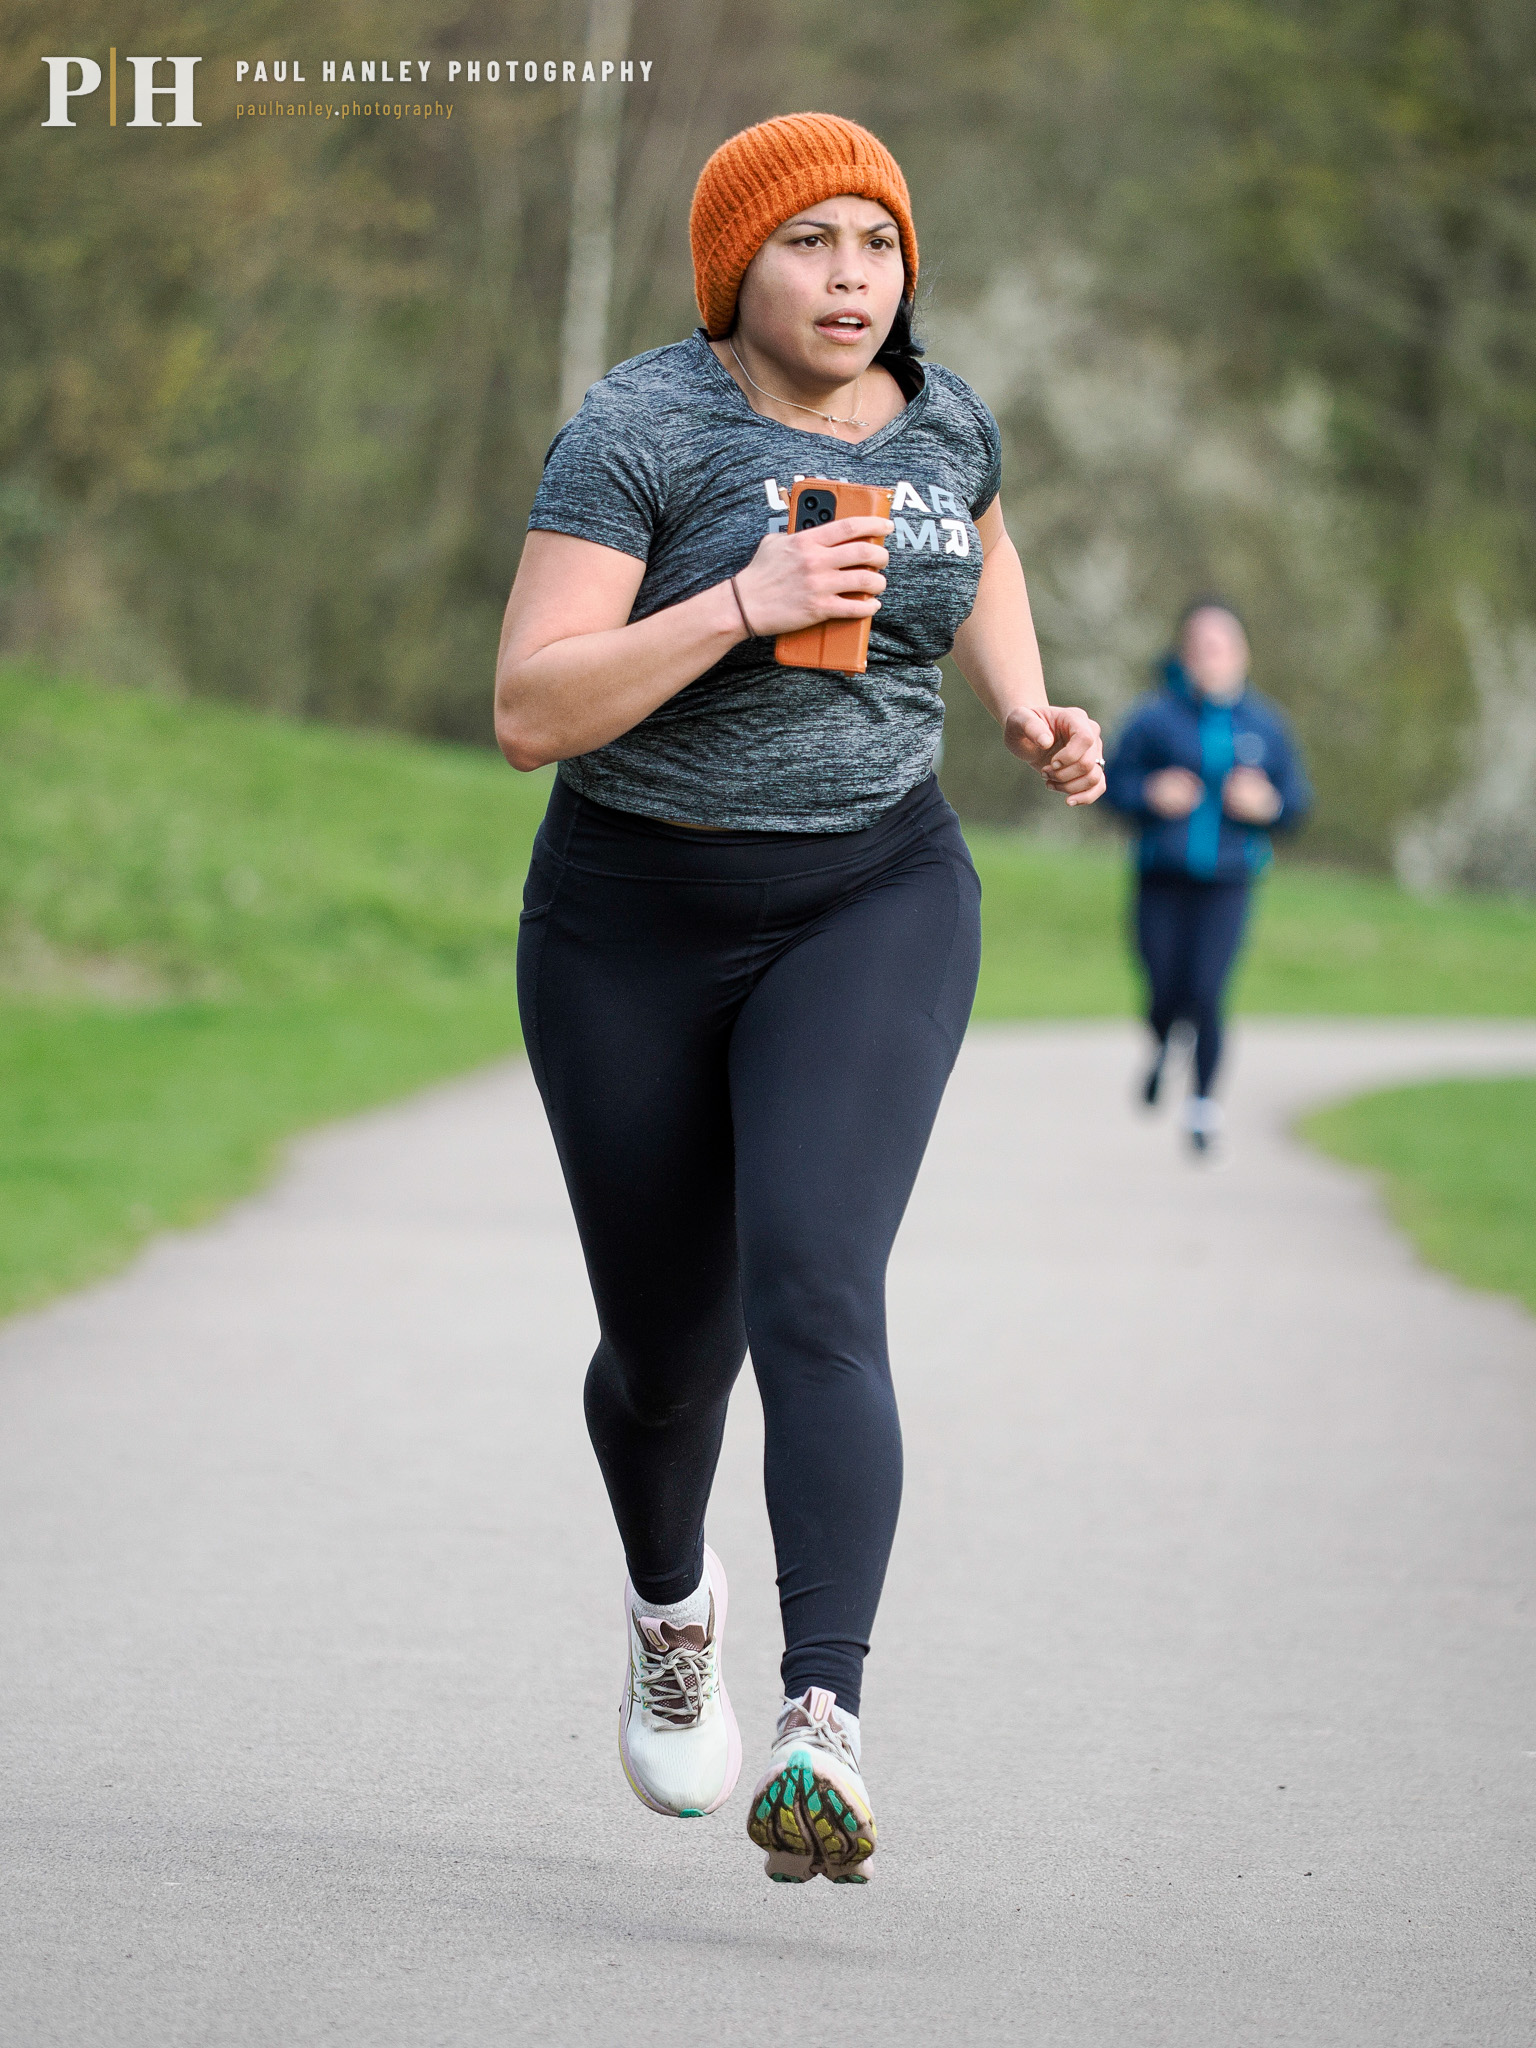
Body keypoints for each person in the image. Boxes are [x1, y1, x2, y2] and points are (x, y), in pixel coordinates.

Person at [493, 111, 1105, 1884]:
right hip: (629, 918)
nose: (853, 279)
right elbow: (532, 708)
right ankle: (670, 1607)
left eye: (878, 245)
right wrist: (741, 603)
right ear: (733, 269)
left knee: (818, 1286)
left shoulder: (943, 413)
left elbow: (974, 539)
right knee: (671, 1352)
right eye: (810, 245)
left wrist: (1023, 706)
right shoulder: (638, 429)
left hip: (872, 890)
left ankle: (823, 1720)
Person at [1103, 600, 1311, 1152]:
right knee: (1162, 989)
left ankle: (1201, 1107)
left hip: (1229, 880)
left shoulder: (1266, 725)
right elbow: (1113, 786)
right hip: (1161, 876)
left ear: (1241, 655)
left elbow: (1296, 804)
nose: (1210, 658)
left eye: (1221, 647)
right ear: (1185, 655)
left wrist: (1266, 805)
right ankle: (1162, 1041)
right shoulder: (1153, 719)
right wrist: (1150, 794)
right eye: (1200, 647)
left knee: (1208, 991)